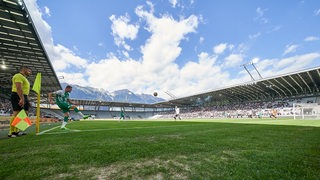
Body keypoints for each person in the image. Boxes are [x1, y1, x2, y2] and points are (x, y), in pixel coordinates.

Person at [8, 66, 32, 138]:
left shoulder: (25, 79)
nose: (30, 73)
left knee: (25, 113)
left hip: (24, 96)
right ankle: (11, 132)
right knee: (17, 113)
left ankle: (17, 130)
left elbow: (25, 90)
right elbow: (19, 88)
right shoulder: (18, 76)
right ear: (24, 70)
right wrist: (21, 98)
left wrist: (27, 100)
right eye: (29, 71)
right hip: (17, 95)